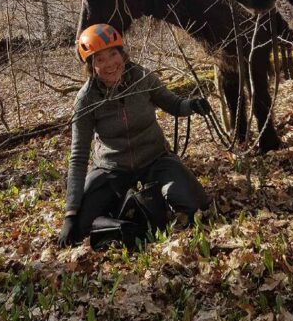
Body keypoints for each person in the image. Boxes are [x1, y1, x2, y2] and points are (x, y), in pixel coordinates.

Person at [58, 23, 211, 247]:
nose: (110, 64)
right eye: (100, 59)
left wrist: (192, 105)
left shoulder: (143, 78)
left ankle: (145, 202)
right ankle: (124, 213)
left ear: (122, 53)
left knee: (195, 204)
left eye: (113, 54)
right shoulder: (86, 99)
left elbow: (174, 104)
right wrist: (70, 214)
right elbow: (78, 156)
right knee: (80, 225)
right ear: (91, 66)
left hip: (155, 161)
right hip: (112, 170)